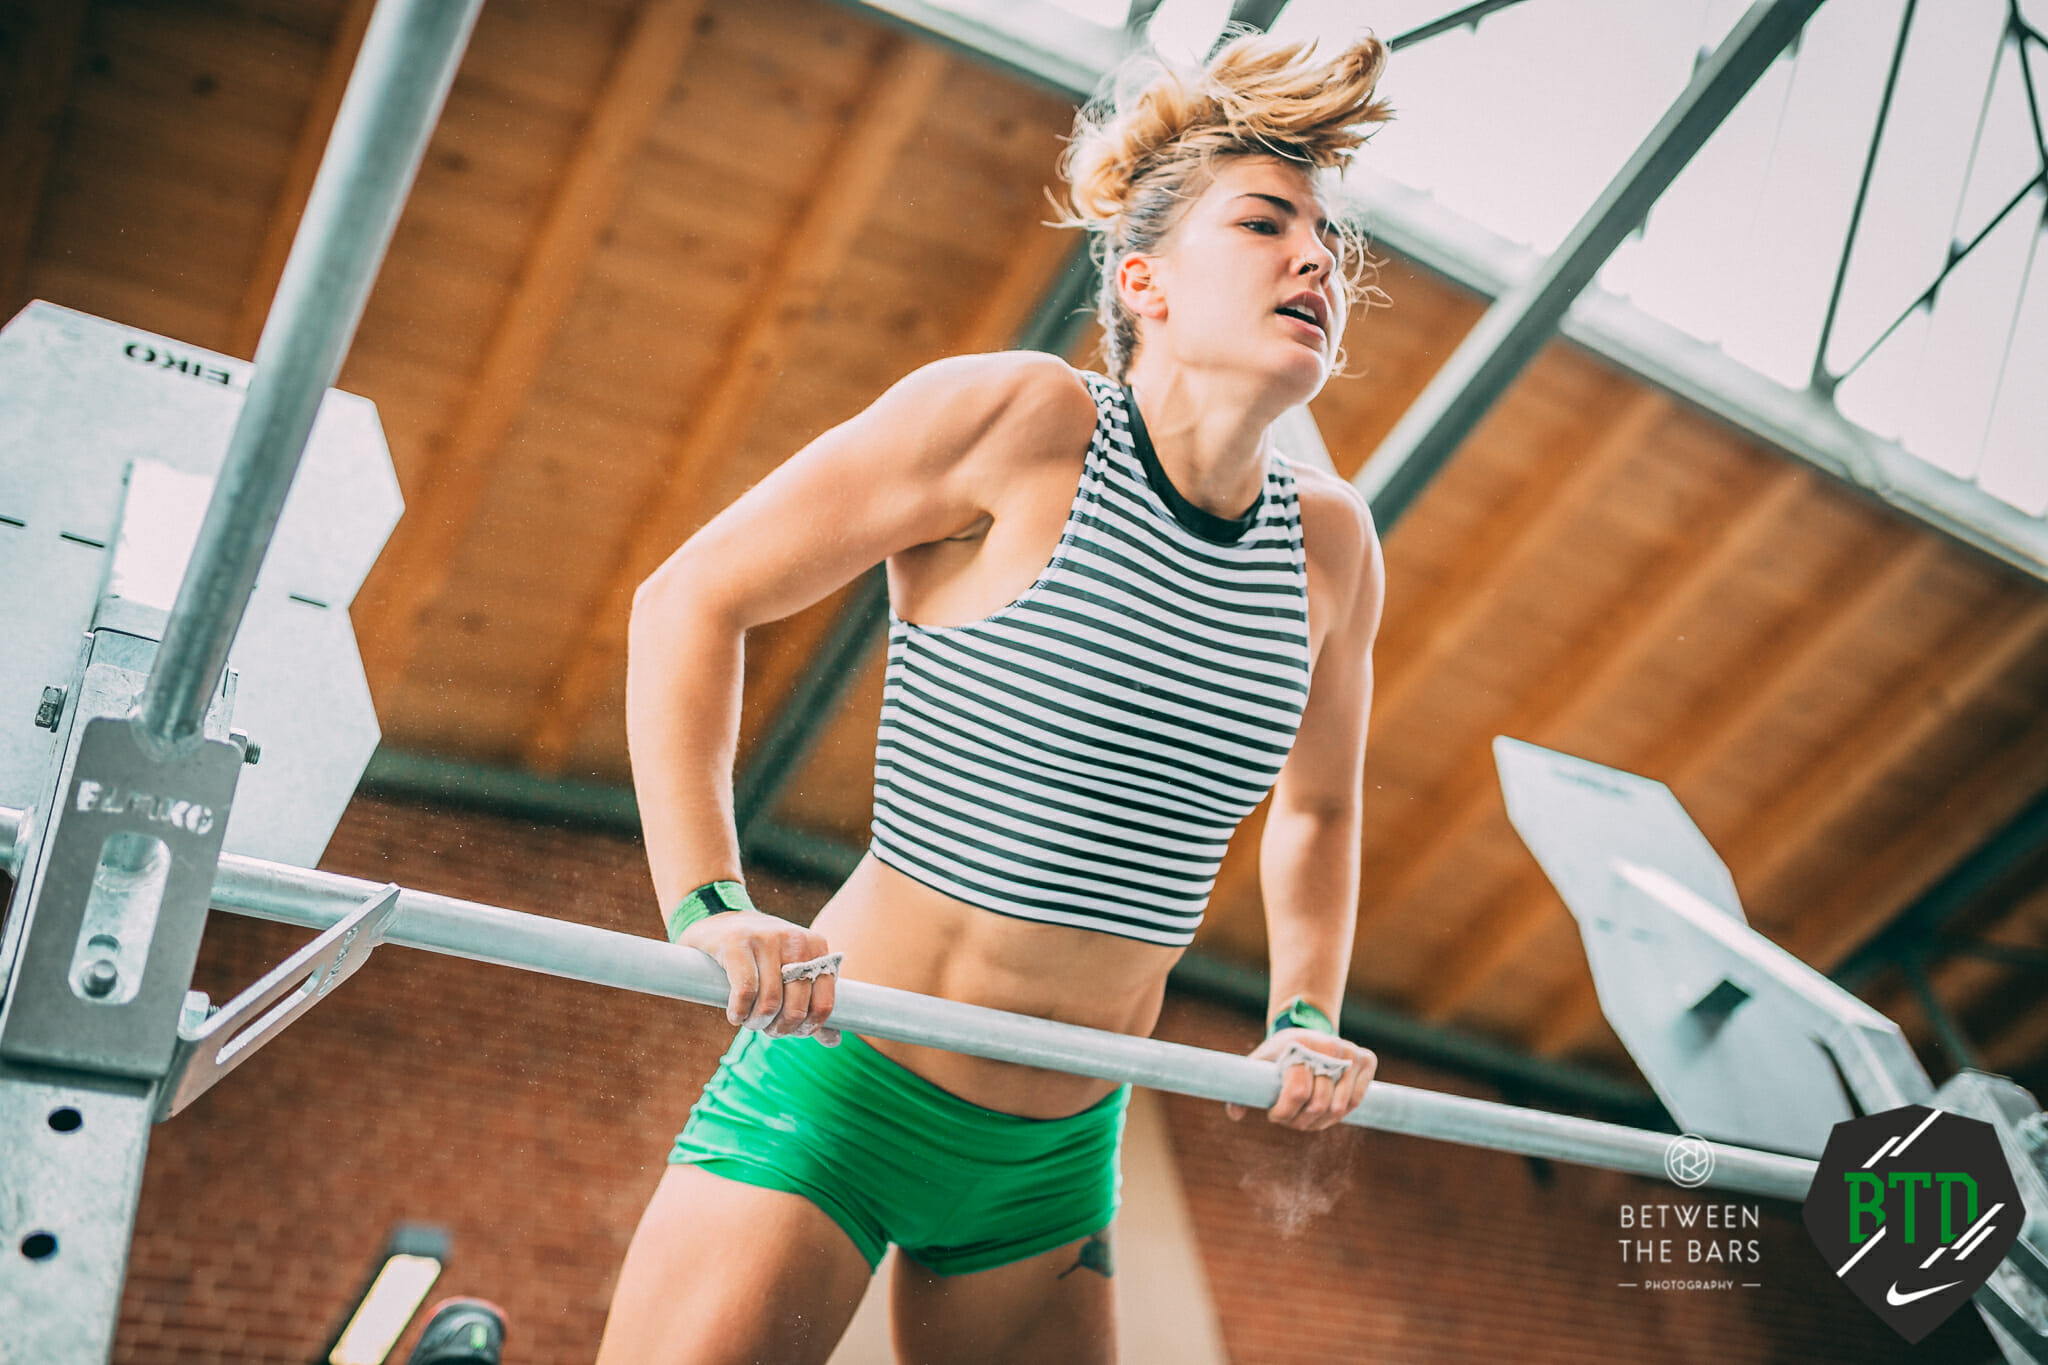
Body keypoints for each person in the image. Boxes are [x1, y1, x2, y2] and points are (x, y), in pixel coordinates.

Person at [598, 29, 1393, 1365]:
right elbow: (689, 599)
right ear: (1141, 279)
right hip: (845, 1087)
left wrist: (1308, 1009)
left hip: (1056, 1161)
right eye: (1266, 224)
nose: (1317, 260)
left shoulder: (1330, 546)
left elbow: (1317, 809)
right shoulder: (1023, 425)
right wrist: (707, 899)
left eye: (1327, 241)